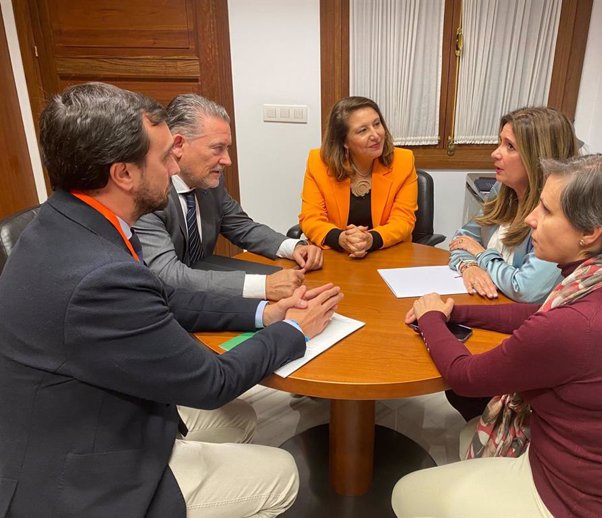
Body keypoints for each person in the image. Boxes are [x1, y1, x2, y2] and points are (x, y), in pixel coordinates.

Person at [0, 82, 343, 518]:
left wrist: (265, 312)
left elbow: (162, 296)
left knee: (240, 419)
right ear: (123, 173)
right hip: (80, 475)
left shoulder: (71, 221)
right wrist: (294, 329)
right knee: (281, 471)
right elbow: (211, 382)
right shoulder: (100, 275)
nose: (174, 163)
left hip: (93, 408)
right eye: (164, 156)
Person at [394, 153, 602, 517]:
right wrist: (456, 310)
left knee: (405, 492)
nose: (531, 218)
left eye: (547, 211)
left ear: (590, 234)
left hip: (593, 505)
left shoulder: (577, 325)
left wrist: (430, 318)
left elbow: (464, 376)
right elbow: (537, 314)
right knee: (468, 434)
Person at [134, 93, 323, 300]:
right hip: (164, 301)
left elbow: (241, 226)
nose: (227, 160)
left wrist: (293, 246)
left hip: (206, 290)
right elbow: (168, 275)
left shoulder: (209, 182)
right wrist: (264, 286)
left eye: (227, 148)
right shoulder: (149, 194)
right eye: (218, 148)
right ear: (178, 145)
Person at [449, 106, 579, 303]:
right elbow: (462, 239)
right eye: (500, 142)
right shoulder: (502, 190)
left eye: (509, 146)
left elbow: (525, 289)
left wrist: (481, 254)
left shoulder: (561, 214)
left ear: (538, 157)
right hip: (488, 304)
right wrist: (469, 266)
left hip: (527, 321)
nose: (495, 153)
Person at [299, 96, 417, 258]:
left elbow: (403, 220)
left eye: (377, 124)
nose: (375, 135)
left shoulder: (403, 161)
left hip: (387, 255)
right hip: (335, 255)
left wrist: (371, 239)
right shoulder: (318, 162)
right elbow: (311, 217)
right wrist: (340, 238)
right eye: (363, 130)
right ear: (344, 141)